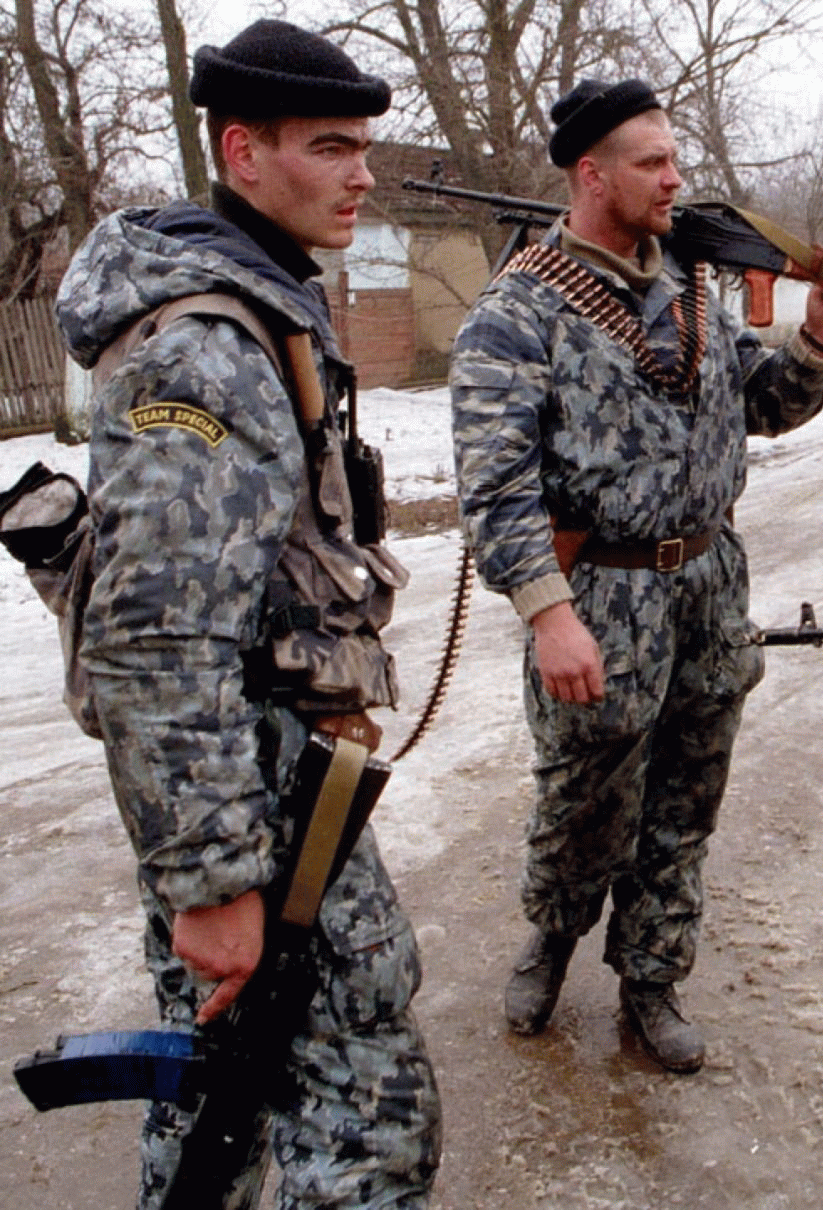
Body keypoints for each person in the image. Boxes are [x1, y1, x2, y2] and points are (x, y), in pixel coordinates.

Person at [55, 20, 441, 1206]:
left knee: (221, 1086)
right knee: (368, 1111)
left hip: (262, 781)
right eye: (330, 145)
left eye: (365, 146)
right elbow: (152, 637)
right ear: (242, 152)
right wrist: (213, 877)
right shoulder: (210, 349)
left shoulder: (257, 302)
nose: (362, 172)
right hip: (255, 800)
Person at [449, 78, 823, 1072]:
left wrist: (815, 341)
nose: (675, 177)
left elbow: (760, 406)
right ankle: (550, 936)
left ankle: (651, 976)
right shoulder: (516, 315)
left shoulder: (691, 293)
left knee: (686, 798)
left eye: (673, 159)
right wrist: (547, 613)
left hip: (708, 588)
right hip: (597, 593)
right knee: (581, 799)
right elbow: (494, 485)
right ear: (589, 173)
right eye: (652, 162)